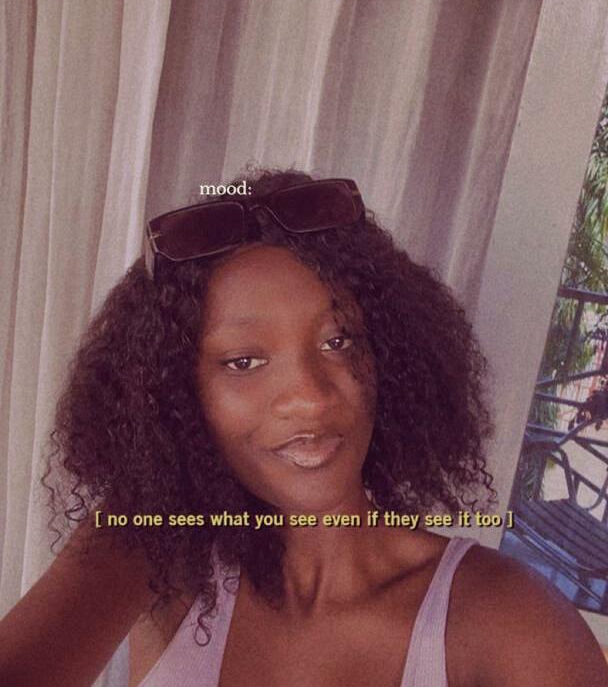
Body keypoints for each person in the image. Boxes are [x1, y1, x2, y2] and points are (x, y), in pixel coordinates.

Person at [0, 169, 606, 687]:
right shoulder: (152, 549)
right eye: (244, 362)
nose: (311, 398)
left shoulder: (509, 623)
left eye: (339, 342)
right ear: (175, 394)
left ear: (389, 358)